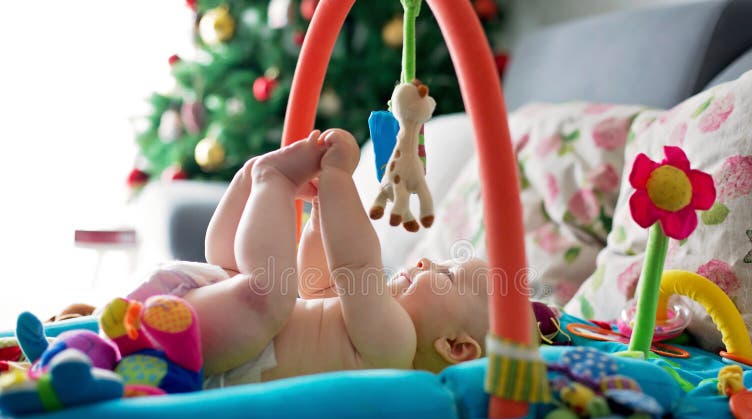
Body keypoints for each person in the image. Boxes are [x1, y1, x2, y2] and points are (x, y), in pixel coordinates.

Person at [103, 129, 489, 388]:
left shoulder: (397, 348)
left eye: (448, 275)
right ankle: (253, 176)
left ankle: (265, 177)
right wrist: (322, 213)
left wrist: (339, 179)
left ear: (455, 347)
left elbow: (356, 266)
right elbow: (317, 281)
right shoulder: (368, 330)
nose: (426, 263)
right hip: (213, 325)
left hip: (205, 332)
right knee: (257, 288)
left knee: (267, 292)